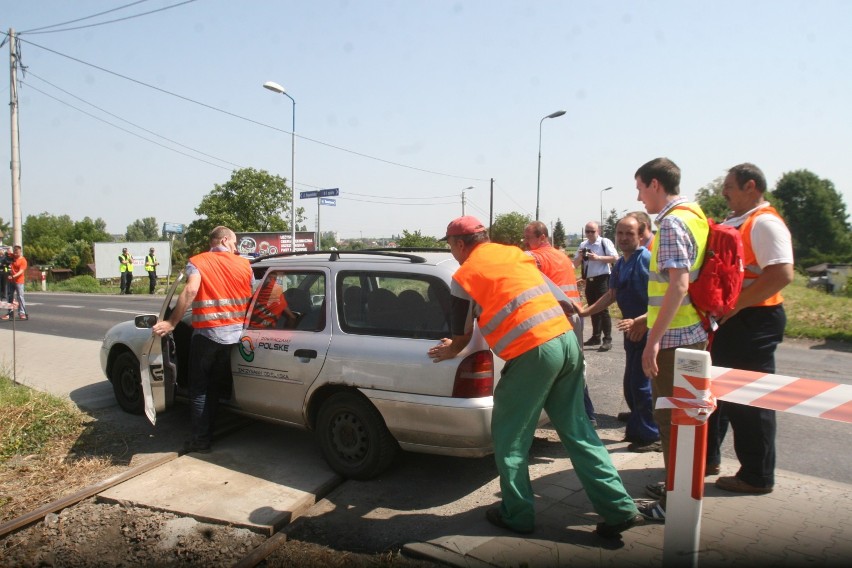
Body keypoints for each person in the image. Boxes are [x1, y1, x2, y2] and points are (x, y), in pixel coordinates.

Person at [428, 215, 643, 538]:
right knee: (578, 431)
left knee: (510, 437)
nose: (453, 252)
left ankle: (516, 514)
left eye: (451, 245)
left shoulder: (465, 275)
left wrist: (450, 350)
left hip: (534, 351)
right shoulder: (515, 254)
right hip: (566, 340)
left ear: (459, 244)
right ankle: (620, 508)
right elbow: (557, 296)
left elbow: (460, 335)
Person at [707, 163, 794, 494]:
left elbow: (782, 274)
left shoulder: (766, 223)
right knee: (720, 394)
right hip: (733, 320)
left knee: (750, 400)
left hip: (754, 319)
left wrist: (734, 304)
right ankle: (708, 458)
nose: (724, 191)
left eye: (729, 186)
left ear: (751, 187)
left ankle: (757, 476)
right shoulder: (736, 222)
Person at [634, 157, 709, 521]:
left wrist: (653, 341)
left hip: (676, 337)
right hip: (691, 330)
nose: (639, 197)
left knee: (670, 419)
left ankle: (674, 507)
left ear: (655, 185)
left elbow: (678, 284)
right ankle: (676, 487)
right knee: (682, 419)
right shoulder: (696, 215)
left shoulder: (672, 222)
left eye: (640, 188)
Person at [152, 226, 253, 454]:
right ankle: (210, 431)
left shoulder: (198, 261)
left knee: (199, 389)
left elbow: (190, 291)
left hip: (207, 335)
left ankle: (200, 440)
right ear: (225, 240)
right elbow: (251, 294)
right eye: (235, 243)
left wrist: (171, 323)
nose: (236, 248)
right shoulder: (245, 265)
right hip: (233, 338)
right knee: (215, 386)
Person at [578, 216, 660, 451]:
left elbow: (661, 300)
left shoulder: (644, 259)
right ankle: (638, 426)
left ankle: (650, 436)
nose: (624, 238)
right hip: (630, 330)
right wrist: (585, 312)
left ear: (640, 236)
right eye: (620, 234)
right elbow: (611, 294)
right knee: (631, 383)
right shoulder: (622, 263)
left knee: (641, 384)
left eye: (629, 234)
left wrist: (641, 321)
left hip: (645, 330)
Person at [523, 220, 597, 427]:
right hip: (574, 316)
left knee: (552, 369)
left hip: (553, 320)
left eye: (528, 238)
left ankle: (572, 421)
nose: (526, 243)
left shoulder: (533, 257)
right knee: (575, 367)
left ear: (542, 237)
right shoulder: (562, 256)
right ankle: (586, 417)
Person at [573, 221, 617, 351]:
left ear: (598, 231)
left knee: (603, 309)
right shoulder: (583, 245)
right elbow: (575, 264)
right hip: (589, 280)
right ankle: (595, 337)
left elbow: (615, 257)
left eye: (592, 231)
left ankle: (607, 339)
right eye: (587, 231)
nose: (590, 234)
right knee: (592, 309)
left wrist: (598, 258)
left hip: (602, 279)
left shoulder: (604, 242)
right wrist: (581, 257)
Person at [2, 246, 28, 320]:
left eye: (17, 253)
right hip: (11, 281)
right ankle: (10, 313)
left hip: (19, 281)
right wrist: (6, 251)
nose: (16, 254)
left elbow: (21, 271)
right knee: (10, 296)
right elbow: (6, 253)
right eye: (15, 253)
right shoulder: (12, 256)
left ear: (20, 252)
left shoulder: (23, 260)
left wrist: (13, 276)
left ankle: (22, 313)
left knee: (20, 297)